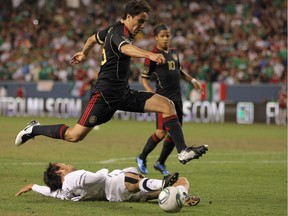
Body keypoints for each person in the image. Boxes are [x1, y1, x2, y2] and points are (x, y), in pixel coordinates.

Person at [15, 0, 208, 165]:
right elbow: (125, 49)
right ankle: (34, 129)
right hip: (105, 96)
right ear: (129, 16)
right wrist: (149, 54)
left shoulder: (110, 31)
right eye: (140, 21)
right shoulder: (117, 33)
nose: (142, 26)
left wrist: (84, 52)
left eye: (145, 22)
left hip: (123, 93)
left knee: (167, 105)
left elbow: (92, 38)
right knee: (74, 136)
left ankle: (182, 151)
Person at [136, 24, 204, 175]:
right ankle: (141, 157)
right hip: (163, 101)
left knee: (175, 132)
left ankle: (160, 162)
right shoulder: (152, 55)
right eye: (162, 36)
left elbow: (178, 71)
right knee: (161, 133)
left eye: (167, 35)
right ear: (156, 37)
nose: (166, 38)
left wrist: (193, 80)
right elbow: (144, 78)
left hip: (177, 99)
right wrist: (150, 93)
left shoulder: (173, 52)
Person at [15, 162, 200, 206]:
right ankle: (162, 182)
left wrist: (33, 186)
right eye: (62, 164)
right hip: (113, 185)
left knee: (180, 183)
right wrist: (103, 171)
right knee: (129, 177)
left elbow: (50, 192)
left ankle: (179, 196)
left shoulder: (62, 190)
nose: (66, 163)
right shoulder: (73, 177)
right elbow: (99, 178)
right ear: (59, 171)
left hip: (116, 196)